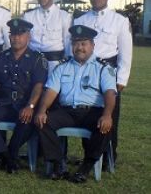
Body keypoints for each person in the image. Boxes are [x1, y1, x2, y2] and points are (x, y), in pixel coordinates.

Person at [35, 25, 117, 183]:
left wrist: (107, 115)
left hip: (92, 111)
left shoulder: (103, 68)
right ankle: (59, 164)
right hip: (67, 112)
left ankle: (86, 167)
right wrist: (42, 110)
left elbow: (110, 93)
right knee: (42, 121)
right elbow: (51, 91)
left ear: (92, 45)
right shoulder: (62, 67)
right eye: (76, 43)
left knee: (105, 126)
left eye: (84, 43)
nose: (79, 47)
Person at [0, 18, 47, 173]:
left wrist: (30, 106)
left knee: (27, 120)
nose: (16, 38)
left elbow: (38, 86)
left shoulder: (37, 59)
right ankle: (6, 156)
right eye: (13, 34)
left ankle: (7, 155)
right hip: (3, 103)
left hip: (24, 104)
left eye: (20, 34)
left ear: (29, 36)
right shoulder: (1, 58)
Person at [73, 0, 132, 161]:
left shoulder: (119, 21)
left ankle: (109, 157)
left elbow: (126, 53)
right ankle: (90, 155)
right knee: (87, 114)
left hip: (109, 73)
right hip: (86, 73)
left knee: (110, 116)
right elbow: (74, 50)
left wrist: (120, 81)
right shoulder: (80, 20)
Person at [22, 0, 71, 75]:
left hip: (55, 64)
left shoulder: (64, 16)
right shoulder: (28, 16)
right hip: (33, 63)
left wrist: (66, 64)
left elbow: (68, 42)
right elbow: (26, 42)